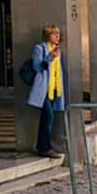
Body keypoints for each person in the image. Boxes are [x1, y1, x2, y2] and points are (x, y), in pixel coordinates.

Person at [26, 24, 65, 159]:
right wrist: (50, 57)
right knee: (48, 117)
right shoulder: (40, 49)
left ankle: (41, 146)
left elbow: (57, 72)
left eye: (58, 34)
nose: (57, 37)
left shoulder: (57, 50)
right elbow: (37, 67)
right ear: (48, 36)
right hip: (43, 89)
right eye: (54, 34)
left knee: (46, 118)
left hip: (54, 89)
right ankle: (45, 148)